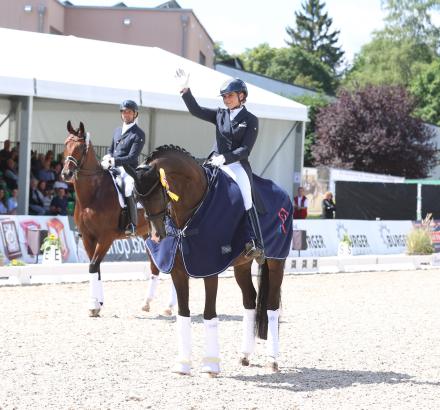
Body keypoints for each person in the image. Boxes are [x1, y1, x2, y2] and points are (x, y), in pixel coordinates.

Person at [175, 69, 264, 264]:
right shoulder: (220, 114)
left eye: (230, 95)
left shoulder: (250, 120)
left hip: (236, 164)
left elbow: (246, 150)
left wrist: (226, 158)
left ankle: (256, 242)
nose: (226, 99)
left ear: (241, 96)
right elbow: (196, 110)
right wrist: (185, 90)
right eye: (224, 96)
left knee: (247, 196)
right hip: (215, 161)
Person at [100, 99, 145, 235]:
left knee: (127, 188)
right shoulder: (117, 131)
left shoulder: (138, 134)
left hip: (128, 170)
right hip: (112, 165)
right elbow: (110, 149)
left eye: (129, 112)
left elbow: (132, 157)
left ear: (135, 114)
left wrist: (114, 161)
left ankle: (132, 223)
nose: (126, 115)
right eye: (124, 112)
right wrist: (108, 157)